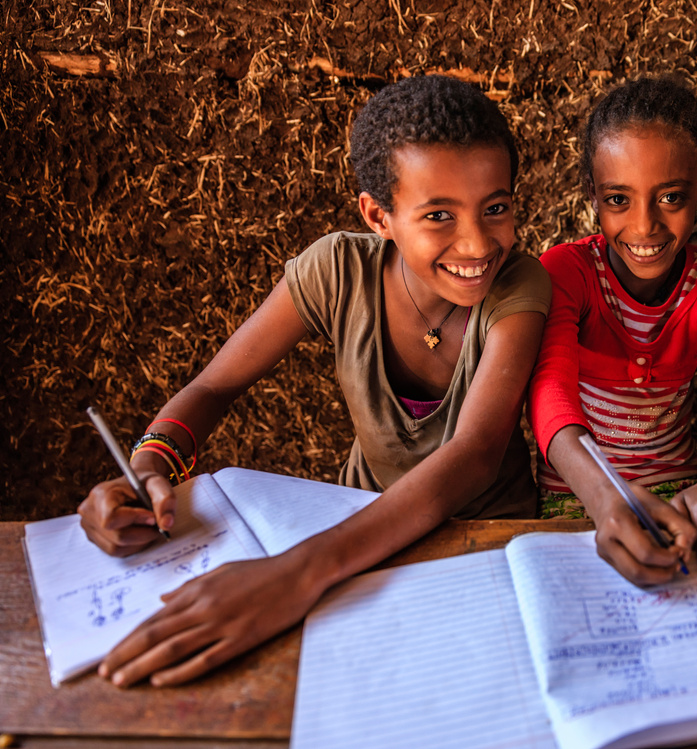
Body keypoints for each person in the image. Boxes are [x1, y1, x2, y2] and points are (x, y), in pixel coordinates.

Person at [77, 75, 551, 686]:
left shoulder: (520, 287)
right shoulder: (337, 271)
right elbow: (213, 388)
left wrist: (295, 576)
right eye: (438, 214)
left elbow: (474, 455)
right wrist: (147, 469)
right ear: (378, 215)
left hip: (486, 539)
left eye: (496, 208)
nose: (478, 242)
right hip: (354, 523)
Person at [529, 77, 697, 590]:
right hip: (576, 494)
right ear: (591, 194)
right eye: (619, 199)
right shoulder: (566, 273)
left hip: (683, 489)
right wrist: (602, 498)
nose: (644, 226)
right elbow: (550, 390)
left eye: (670, 197)